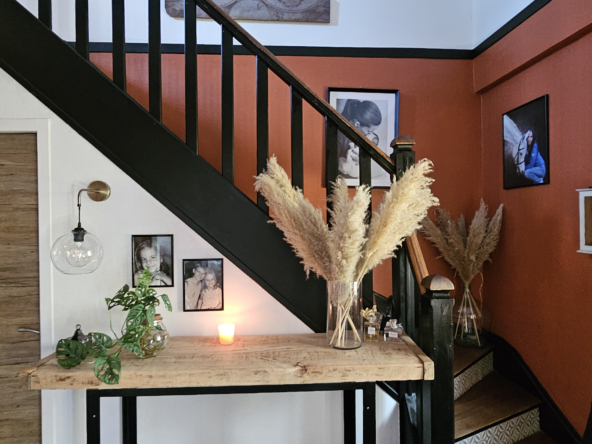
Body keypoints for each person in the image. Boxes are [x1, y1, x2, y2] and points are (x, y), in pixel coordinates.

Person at [337, 100, 382, 179]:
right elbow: (331, 162)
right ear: (357, 124)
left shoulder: (362, 135)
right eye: (369, 131)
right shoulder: (339, 135)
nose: (369, 134)